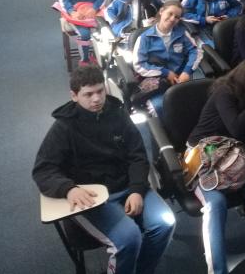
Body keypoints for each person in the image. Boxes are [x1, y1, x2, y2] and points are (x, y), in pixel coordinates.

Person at [32, 66, 175, 274]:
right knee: (129, 238)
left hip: (126, 185)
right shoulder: (64, 127)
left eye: (100, 91)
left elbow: (137, 155)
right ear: (74, 96)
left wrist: (136, 190)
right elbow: (43, 170)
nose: (97, 99)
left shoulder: (118, 113)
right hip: (92, 196)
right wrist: (68, 189)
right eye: (88, 94)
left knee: (165, 223)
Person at [186, 59, 245, 274]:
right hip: (203, 152)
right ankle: (218, 270)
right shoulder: (225, 93)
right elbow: (237, 127)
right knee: (216, 204)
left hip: (232, 151)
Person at [132, 0, 201, 116]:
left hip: (181, 76)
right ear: (161, 11)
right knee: (161, 107)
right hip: (159, 80)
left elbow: (195, 51)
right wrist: (165, 72)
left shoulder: (182, 34)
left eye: (177, 17)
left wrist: (187, 71)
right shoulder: (144, 38)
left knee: (195, 99)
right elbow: (139, 64)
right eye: (170, 14)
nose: (173, 19)